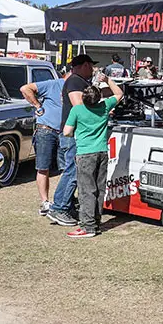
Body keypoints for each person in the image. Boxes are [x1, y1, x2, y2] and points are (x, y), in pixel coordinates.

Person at [62, 72, 123, 238]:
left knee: (86, 190)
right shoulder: (104, 107)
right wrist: (107, 80)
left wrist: (76, 132)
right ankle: (95, 223)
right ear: (99, 97)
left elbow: (66, 132)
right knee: (99, 189)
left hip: (85, 153)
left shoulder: (77, 110)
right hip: (102, 152)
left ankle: (87, 226)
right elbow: (119, 93)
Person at [46, 55, 98, 226]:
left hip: (72, 133)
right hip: (73, 133)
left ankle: (65, 206)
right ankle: (59, 208)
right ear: (85, 65)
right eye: (91, 66)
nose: (93, 70)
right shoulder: (75, 81)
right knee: (73, 171)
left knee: (73, 170)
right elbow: (79, 107)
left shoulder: (77, 81)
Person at [19, 76, 65, 219]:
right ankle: (45, 202)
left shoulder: (78, 85)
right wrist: (38, 106)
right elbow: (25, 88)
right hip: (46, 130)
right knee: (43, 167)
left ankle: (62, 201)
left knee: (66, 168)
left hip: (65, 132)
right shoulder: (53, 84)